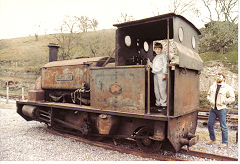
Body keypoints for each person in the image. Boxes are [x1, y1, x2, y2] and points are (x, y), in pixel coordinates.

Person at [206, 73, 235, 148]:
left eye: (220, 76)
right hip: (213, 108)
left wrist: (224, 101)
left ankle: (225, 143)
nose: (218, 77)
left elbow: (232, 98)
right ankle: (213, 139)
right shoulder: (213, 86)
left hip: (221, 109)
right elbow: (208, 95)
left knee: (223, 126)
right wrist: (210, 100)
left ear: (224, 78)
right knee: (209, 124)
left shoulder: (227, 87)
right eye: (217, 76)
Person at [147, 42, 168, 111]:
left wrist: (164, 74)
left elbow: (165, 64)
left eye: (159, 49)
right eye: (156, 49)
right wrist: (149, 62)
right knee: (156, 90)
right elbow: (154, 67)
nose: (157, 50)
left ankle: (164, 105)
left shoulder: (163, 56)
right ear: (154, 50)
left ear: (161, 49)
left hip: (161, 74)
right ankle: (158, 104)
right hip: (155, 74)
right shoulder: (156, 57)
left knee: (162, 90)